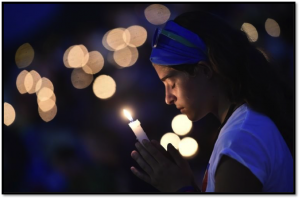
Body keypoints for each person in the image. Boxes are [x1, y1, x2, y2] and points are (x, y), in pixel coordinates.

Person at [130, 11, 293, 192]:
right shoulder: (245, 125)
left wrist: (177, 189)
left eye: (172, 83)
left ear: (204, 71)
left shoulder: (241, 138)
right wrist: (189, 184)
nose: (168, 98)